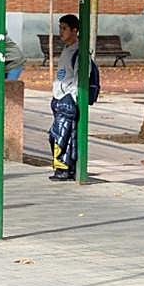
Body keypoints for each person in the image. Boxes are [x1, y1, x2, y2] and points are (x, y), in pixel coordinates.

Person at [48, 14, 83, 182]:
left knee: (63, 135)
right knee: (55, 134)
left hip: (67, 99)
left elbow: (79, 76)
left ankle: (64, 167)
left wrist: (71, 96)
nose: (60, 32)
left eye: (64, 28)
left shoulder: (78, 51)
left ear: (74, 30)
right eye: (60, 28)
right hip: (59, 98)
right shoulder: (67, 49)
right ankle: (61, 166)